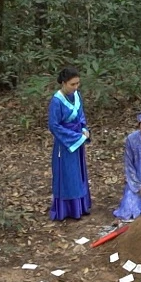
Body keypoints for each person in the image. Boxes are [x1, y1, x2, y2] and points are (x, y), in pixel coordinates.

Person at [48, 67, 92, 221]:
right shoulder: (56, 101)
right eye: (72, 84)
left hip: (78, 138)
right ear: (64, 83)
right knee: (68, 174)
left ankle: (81, 206)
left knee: (78, 172)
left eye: (77, 83)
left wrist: (84, 129)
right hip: (65, 143)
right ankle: (67, 209)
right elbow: (54, 125)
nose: (76, 87)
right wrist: (75, 136)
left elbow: (81, 116)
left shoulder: (77, 95)